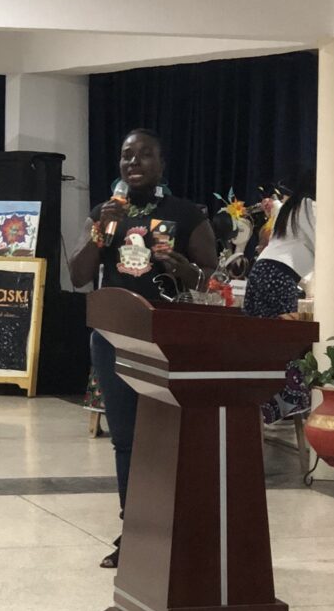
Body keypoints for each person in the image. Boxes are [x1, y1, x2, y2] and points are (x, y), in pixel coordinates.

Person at [69, 128, 218, 568]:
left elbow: (212, 280)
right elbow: (78, 276)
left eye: (145, 155)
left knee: (171, 438)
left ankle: (177, 527)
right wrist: (99, 231)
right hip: (113, 339)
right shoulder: (105, 214)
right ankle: (133, 530)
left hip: (167, 339)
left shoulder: (186, 214)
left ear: (162, 163)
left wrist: (186, 269)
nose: (133, 162)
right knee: (127, 440)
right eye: (127, 155)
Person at [243, 170, 315, 423]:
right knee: (286, 344)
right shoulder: (309, 207)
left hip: (262, 272)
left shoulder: (291, 208)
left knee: (261, 345)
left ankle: (254, 406)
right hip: (279, 276)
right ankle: (280, 403)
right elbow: (326, 246)